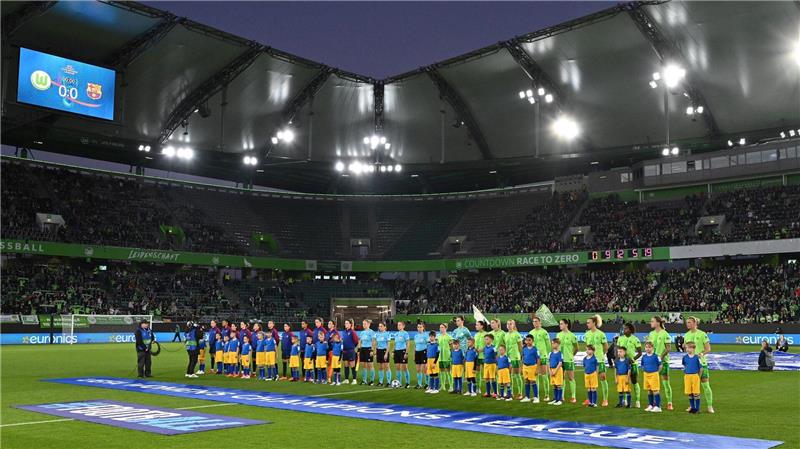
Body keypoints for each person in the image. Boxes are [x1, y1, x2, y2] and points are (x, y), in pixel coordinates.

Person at [684, 316, 715, 413]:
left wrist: (702, 354)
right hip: (690, 365)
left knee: (705, 385)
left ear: (694, 323)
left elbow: (708, 349)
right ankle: (692, 406)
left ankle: (710, 406)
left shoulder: (702, 334)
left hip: (701, 363)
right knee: (692, 387)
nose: (687, 324)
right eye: (687, 322)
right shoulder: (686, 335)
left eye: (689, 322)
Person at [647, 316, 674, 410]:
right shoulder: (651, 334)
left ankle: (669, 402)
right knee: (652, 384)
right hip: (652, 362)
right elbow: (649, 347)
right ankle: (654, 403)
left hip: (663, 362)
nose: (650, 323)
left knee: (665, 383)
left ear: (658, 323)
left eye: (652, 321)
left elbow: (668, 348)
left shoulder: (665, 334)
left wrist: (660, 358)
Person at [584, 315, 610, 407]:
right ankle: (590, 400)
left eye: (588, 322)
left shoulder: (601, 334)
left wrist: (601, 356)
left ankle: (605, 399)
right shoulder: (586, 334)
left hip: (599, 360)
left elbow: (606, 347)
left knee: (602, 378)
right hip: (590, 361)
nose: (587, 324)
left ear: (594, 323)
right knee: (590, 380)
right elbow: (587, 347)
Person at [616, 322, 643, 408]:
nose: (624, 330)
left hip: (633, 364)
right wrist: (618, 359)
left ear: (630, 330)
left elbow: (640, 353)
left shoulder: (635, 339)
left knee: (634, 381)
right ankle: (624, 400)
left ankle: (637, 401)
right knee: (623, 381)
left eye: (626, 329)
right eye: (624, 328)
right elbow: (617, 351)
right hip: (622, 363)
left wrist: (633, 359)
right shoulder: (620, 338)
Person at [528, 315, 550, 402]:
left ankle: (547, 395)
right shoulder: (531, 332)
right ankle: (536, 395)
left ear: (540, 322)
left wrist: (546, 354)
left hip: (543, 356)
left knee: (544, 376)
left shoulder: (544, 332)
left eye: (536, 321)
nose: (535, 323)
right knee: (535, 376)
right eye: (533, 322)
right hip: (534, 357)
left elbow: (548, 345)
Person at [556, 319, 579, 403]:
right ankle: (561, 396)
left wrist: (571, 355)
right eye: (560, 324)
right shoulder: (558, 335)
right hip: (560, 360)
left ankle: (573, 396)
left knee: (571, 378)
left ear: (566, 325)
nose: (560, 325)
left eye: (561, 324)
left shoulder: (572, 335)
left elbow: (576, 348)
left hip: (568, 360)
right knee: (561, 378)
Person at [505, 320, 524, 399]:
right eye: (508, 324)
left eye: (511, 324)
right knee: (509, 375)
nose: (509, 325)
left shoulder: (517, 334)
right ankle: (510, 392)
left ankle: (520, 393)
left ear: (514, 325)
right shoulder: (505, 335)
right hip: (508, 357)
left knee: (517, 375)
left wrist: (521, 357)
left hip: (515, 357)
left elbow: (520, 346)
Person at [642, 341, 662, 412]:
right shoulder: (644, 357)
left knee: (655, 390)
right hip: (646, 374)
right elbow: (643, 365)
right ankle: (650, 405)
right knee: (649, 390)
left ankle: (658, 406)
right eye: (646, 347)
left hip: (654, 374)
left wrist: (656, 373)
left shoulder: (656, 356)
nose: (647, 349)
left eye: (649, 347)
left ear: (653, 348)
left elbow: (660, 365)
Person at [682, 342, 702, 414]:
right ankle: (692, 408)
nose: (687, 349)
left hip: (695, 376)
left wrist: (698, 377)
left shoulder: (697, 357)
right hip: (687, 376)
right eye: (686, 348)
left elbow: (700, 368)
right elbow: (685, 366)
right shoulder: (684, 357)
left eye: (689, 348)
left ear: (693, 349)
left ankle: (697, 408)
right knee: (689, 393)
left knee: (696, 393)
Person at [521, 335, 540, 403]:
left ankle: (536, 397)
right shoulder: (524, 348)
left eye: (530, 340)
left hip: (532, 367)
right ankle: (527, 397)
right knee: (526, 381)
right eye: (527, 340)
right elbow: (523, 357)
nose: (528, 341)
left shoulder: (535, 349)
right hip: (525, 366)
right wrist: (521, 367)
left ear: (532, 341)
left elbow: (538, 359)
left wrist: (537, 369)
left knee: (533, 381)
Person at [340, 319, 359, 384]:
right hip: (345, 351)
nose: (346, 324)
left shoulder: (352, 332)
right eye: (345, 323)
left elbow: (356, 341)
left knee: (352, 365)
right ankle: (346, 379)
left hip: (351, 351)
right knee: (346, 365)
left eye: (347, 323)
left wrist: (352, 347)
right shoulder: (343, 332)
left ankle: (354, 379)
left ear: (351, 324)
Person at [392, 321, 410, 388]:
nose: (398, 326)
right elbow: (395, 343)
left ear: (403, 326)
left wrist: (406, 352)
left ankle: (407, 383)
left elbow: (408, 343)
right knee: (397, 368)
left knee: (405, 368)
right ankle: (399, 383)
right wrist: (393, 352)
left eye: (400, 325)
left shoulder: (405, 333)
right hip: (396, 352)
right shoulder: (396, 334)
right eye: (398, 325)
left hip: (403, 351)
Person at [358, 319, 376, 385]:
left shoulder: (372, 332)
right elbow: (360, 341)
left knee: (370, 365)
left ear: (369, 324)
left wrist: (372, 350)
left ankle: (372, 380)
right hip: (363, 349)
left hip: (368, 349)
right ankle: (364, 380)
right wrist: (359, 350)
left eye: (365, 324)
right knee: (363, 365)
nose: (364, 325)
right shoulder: (362, 332)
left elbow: (374, 342)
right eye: (363, 324)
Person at [437, 323, 453, 392]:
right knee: (442, 372)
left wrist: (452, 355)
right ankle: (442, 386)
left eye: (443, 327)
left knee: (448, 372)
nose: (441, 329)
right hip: (440, 357)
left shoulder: (449, 337)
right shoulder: (438, 337)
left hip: (447, 356)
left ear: (446, 328)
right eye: (440, 327)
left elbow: (452, 347)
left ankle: (451, 386)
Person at [474, 320, 489, 394]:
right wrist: (475, 349)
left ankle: (488, 390)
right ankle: (478, 388)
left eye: (477, 325)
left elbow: (488, 344)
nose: (476, 326)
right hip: (477, 356)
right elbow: (475, 344)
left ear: (482, 326)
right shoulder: (476, 335)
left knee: (486, 373)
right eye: (476, 325)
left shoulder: (486, 334)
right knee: (477, 373)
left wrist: (482, 349)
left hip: (484, 356)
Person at [548, 338, 564, 406]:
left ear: (557, 344)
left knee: (559, 385)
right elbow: (548, 362)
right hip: (552, 370)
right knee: (554, 385)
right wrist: (549, 371)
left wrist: (555, 371)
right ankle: (555, 399)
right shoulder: (550, 353)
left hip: (558, 370)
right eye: (552, 343)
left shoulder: (560, 353)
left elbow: (560, 363)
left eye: (553, 343)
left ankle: (559, 399)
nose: (552, 345)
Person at [375, 322, 391, 387]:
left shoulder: (387, 334)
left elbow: (388, 344)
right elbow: (376, 344)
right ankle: (380, 382)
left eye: (381, 326)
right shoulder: (377, 334)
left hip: (384, 351)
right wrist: (375, 352)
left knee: (387, 366)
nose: (380, 327)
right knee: (380, 367)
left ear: (384, 327)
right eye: (379, 326)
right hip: (379, 351)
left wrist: (386, 353)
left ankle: (388, 382)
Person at [413, 322, 428, 389]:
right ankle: (419, 384)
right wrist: (414, 354)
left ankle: (427, 384)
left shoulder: (426, 335)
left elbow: (428, 345)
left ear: (423, 328)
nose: (419, 328)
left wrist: (428, 355)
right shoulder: (415, 336)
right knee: (418, 369)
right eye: (418, 327)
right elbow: (415, 346)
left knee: (425, 369)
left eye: (420, 327)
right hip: (417, 353)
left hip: (424, 352)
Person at [482, 334, 498, 398]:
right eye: (485, 339)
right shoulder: (485, 348)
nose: (485, 340)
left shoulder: (494, 348)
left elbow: (496, 356)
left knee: (493, 378)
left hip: (492, 364)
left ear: (491, 340)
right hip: (486, 364)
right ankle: (488, 392)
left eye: (487, 339)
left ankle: (495, 393)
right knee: (486, 378)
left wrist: (497, 364)